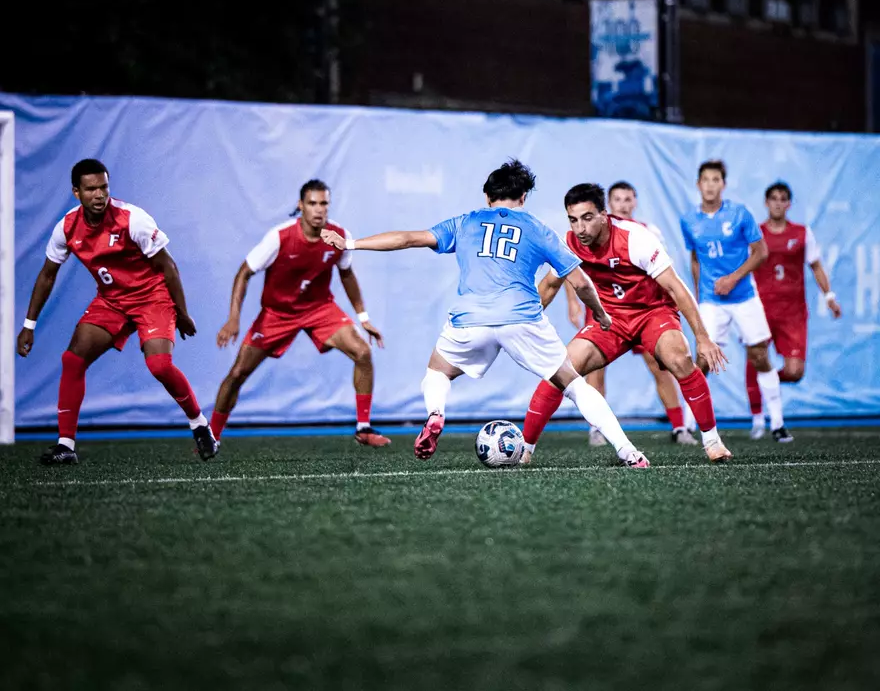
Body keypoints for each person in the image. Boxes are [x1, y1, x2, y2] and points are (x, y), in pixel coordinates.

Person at [320, 159, 650, 467]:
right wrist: (601, 314)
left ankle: (436, 413)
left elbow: (408, 238)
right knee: (574, 385)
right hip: (522, 319)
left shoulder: (465, 222)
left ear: (487, 195)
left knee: (436, 373)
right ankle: (628, 451)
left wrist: (351, 244)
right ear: (523, 196)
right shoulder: (537, 229)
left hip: (469, 321)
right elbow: (580, 283)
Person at [16, 159, 217, 464]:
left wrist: (183, 312)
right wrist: (29, 324)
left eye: (104, 187)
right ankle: (66, 446)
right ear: (76, 192)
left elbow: (168, 266)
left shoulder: (132, 219)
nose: (99, 194)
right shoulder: (67, 228)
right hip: (112, 301)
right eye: (91, 188)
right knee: (72, 359)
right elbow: (47, 274)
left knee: (160, 366)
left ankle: (200, 425)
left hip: (152, 297)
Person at [522, 183, 732, 464]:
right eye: (573, 219)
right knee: (560, 370)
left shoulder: (636, 238)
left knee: (679, 360)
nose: (580, 228)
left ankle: (712, 441)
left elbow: (676, 289)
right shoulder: (570, 243)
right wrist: (520, 323)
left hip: (652, 313)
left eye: (587, 218)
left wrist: (703, 338)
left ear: (603, 215)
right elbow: (548, 286)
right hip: (611, 319)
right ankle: (524, 450)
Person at [210, 179, 390, 448]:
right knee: (238, 373)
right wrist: (234, 318)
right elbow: (244, 272)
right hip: (277, 313)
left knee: (362, 352)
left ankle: (363, 428)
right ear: (301, 206)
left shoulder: (338, 235)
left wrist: (363, 318)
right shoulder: (279, 237)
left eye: (324, 204)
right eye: (312, 203)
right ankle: (210, 435)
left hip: (319, 308)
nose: (319, 210)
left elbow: (347, 273)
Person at [563, 180, 699, 446]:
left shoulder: (646, 232)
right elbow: (570, 267)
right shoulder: (587, 233)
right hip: (603, 308)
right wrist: (573, 302)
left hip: (642, 309)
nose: (623, 204)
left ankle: (680, 426)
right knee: (595, 369)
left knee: (659, 366)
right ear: (607, 207)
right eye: (618, 200)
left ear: (635, 202)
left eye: (628, 199)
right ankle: (597, 428)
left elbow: (664, 274)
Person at [680, 160, 793, 444]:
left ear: (723, 184)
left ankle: (777, 423)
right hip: (710, 301)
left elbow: (761, 252)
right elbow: (695, 258)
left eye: (715, 179)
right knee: (702, 359)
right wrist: (698, 295)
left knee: (759, 357)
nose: (710, 184)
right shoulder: (689, 220)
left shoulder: (739, 214)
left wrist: (733, 278)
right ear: (698, 184)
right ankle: (688, 426)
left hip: (744, 297)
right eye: (705, 179)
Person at [747, 181, 842, 438]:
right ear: (766, 202)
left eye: (783, 199)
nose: (778, 203)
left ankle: (765, 383)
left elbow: (816, 265)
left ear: (788, 204)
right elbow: (743, 268)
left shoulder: (802, 233)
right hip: (760, 310)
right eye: (773, 198)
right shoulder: (755, 233)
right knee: (754, 358)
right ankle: (759, 419)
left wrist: (829, 296)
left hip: (793, 313)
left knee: (794, 372)